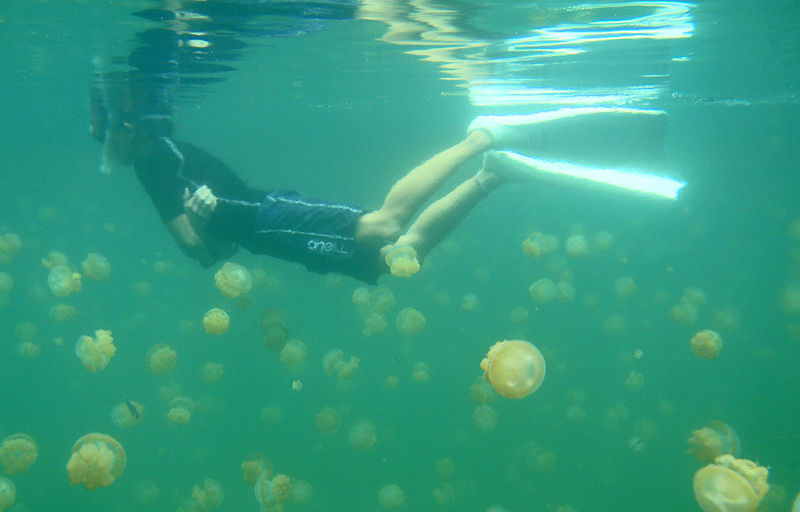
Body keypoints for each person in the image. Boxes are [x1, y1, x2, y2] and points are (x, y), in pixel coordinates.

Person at [92, 86, 679, 284]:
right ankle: (494, 175)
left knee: (383, 225)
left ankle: (481, 139)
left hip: (260, 219)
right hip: (261, 230)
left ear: (126, 124)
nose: (99, 138)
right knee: (397, 259)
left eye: (102, 126)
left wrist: (208, 236)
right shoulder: (155, 156)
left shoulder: (154, 157)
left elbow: (197, 248)